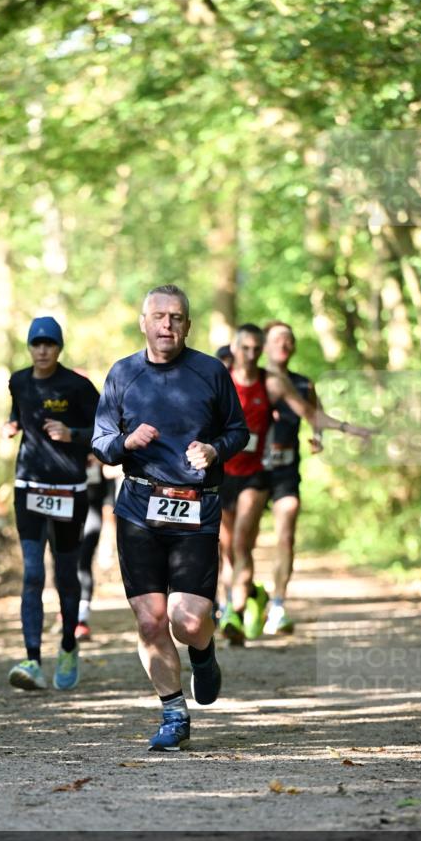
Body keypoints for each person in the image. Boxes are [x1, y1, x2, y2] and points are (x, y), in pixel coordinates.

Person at [92, 284, 249, 752]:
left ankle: (203, 651)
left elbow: (238, 431)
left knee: (188, 621)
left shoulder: (210, 372)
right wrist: (126, 443)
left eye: (176, 317)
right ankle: (173, 714)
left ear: (187, 325)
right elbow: (101, 441)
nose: (167, 325)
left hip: (196, 508)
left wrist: (214, 449)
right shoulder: (123, 373)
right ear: (143, 322)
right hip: (139, 508)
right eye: (159, 316)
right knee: (150, 621)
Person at [219, 322, 375, 646]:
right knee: (228, 546)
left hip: (262, 474)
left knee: (247, 542)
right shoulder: (219, 378)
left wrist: (349, 429)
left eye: (255, 349)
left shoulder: (278, 383)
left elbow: (311, 414)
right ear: (235, 348)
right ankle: (242, 599)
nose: (251, 355)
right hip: (224, 474)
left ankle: (247, 610)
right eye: (246, 348)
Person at [3, 316, 99, 691]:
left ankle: (68, 645)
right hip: (29, 485)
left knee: (65, 573)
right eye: (37, 344)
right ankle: (32, 659)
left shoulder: (78, 386)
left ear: (59, 348)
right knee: (32, 573)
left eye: (50, 344)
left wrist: (71, 433)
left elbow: (106, 431)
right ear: (30, 347)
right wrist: (12, 425)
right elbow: (18, 412)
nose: (42, 350)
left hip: (68, 490)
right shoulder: (19, 381)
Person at [262, 320, 322, 635]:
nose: (283, 345)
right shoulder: (252, 379)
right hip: (250, 470)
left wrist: (318, 437)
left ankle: (278, 605)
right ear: (264, 346)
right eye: (277, 339)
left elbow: (316, 416)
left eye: (288, 339)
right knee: (235, 542)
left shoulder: (303, 384)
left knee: (286, 536)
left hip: (285, 470)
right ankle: (233, 601)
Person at [75, 455, 117, 640]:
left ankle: (81, 619)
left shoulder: (99, 443)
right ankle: (66, 610)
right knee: (63, 561)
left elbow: (109, 485)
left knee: (83, 562)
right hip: (65, 507)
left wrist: (100, 460)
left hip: (93, 508)